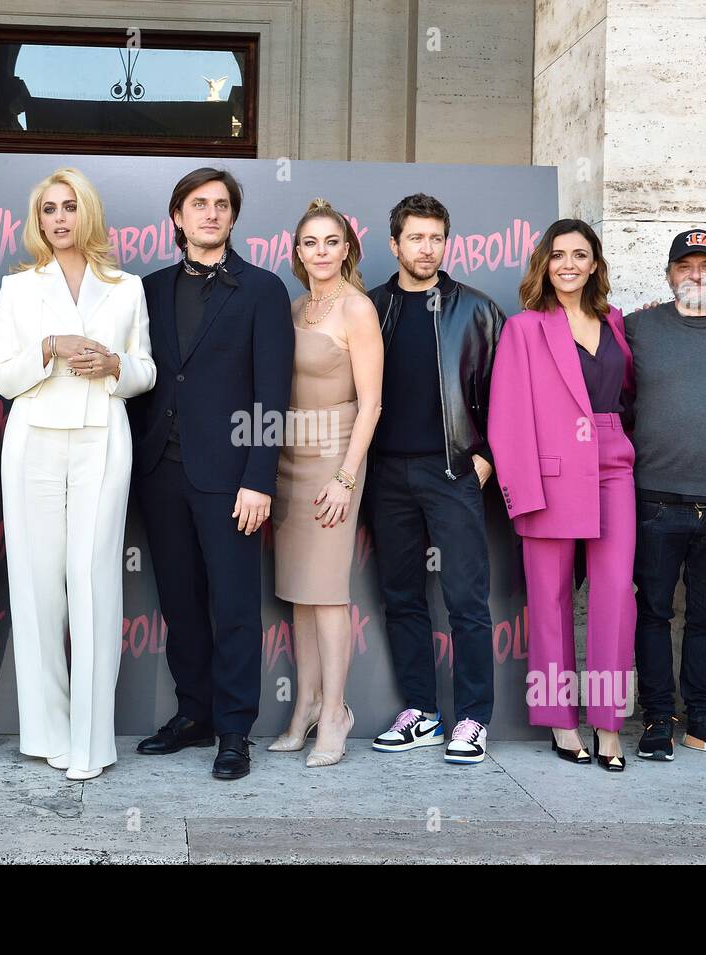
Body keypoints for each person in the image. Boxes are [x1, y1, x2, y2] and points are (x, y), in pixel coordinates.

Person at [0, 168, 156, 781]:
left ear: (88, 215)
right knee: (36, 589)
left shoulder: (127, 288)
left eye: (69, 208)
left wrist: (114, 362)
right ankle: (46, 732)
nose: (59, 219)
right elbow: (2, 378)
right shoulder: (18, 287)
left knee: (93, 581)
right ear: (38, 222)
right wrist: (49, 347)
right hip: (32, 438)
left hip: (101, 437)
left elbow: (145, 370)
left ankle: (91, 742)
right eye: (48, 210)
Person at [130, 167, 293, 780]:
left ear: (232, 217)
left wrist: (260, 479)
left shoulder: (261, 289)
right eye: (198, 204)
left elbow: (272, 394)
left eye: (221, 205)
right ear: (177, 216)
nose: (210, 214)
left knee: (233, 608)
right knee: (180, 602)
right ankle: (193, 713)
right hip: (160, 472)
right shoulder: (147, 289)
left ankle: (233, 732)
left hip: (231, 477)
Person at [488, 218, 635, 772]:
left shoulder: (615, 322)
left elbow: (629, 397)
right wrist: (523, 492)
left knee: (615, 594)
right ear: (544, 265)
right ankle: (560, 720)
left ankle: (608, 723)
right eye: (558, 255)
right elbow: (506, 416)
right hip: (549, 476)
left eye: (580, 254)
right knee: (547, 600)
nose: (568, 264)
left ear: (595, 263)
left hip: (612, 465)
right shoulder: (525, 328)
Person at [367, 193, 505, 765]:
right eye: (416, 238)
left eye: (436, 238)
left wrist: (487, 459)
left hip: (453, 469)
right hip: (386, 474)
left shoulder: (475, 309)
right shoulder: (369, 307)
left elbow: (507, 398)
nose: (427, 248)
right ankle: (421, 711)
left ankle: (472, 719)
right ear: (394, 243)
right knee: (401, 597)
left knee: (466, 600)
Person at [624, 230, 706, 763]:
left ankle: (702, 720)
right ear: (669, 275)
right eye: (685, 265)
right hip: (655, 500)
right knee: (652, 612)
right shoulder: (637, 327)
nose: (696, 275)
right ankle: (657, 718)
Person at [268, 199, 383, 768]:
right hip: (290, 450)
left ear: (347, 249)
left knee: (329, 593)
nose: (320, 252)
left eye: (330, 242)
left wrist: (345, 474)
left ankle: (336, 712)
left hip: (335, 452)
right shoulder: (293, 309)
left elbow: (372, 404)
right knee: (299, 592)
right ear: (297, 252)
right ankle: (305, 704)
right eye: (310, 243)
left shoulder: (358, 309)